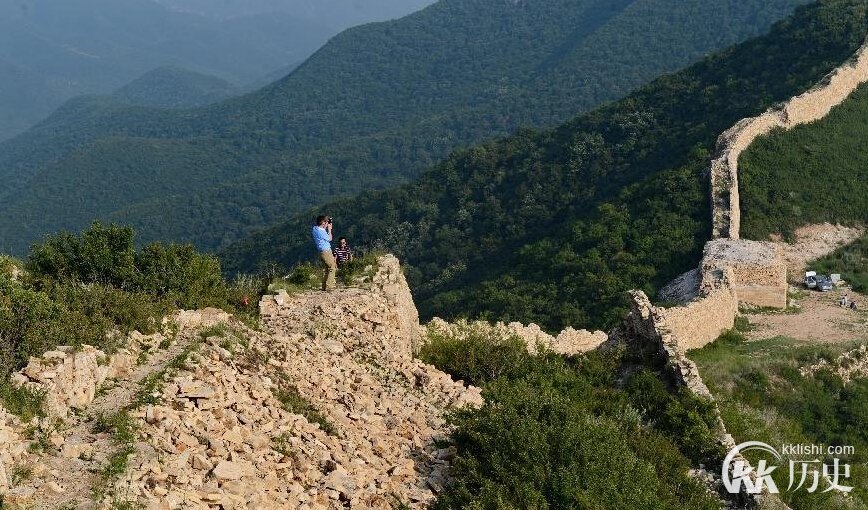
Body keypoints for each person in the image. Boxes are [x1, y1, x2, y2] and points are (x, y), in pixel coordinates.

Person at [311, 215, 336, 291]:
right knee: (332, 268)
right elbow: (330, 238)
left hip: (322, 252)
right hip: (326, 251)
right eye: (325, 221)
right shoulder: (322, 232)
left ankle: (324, 286)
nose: (326, 222)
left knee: (327, 269)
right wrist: (329, 229)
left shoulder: (315, 229)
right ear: (322, 222)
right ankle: (329, 286)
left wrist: (326, 225)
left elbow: (321, 229)